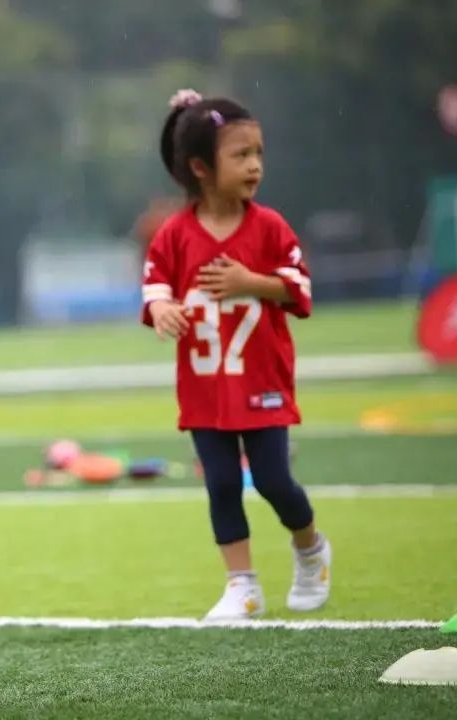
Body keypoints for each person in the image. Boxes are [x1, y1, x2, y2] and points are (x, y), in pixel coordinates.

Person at [140, 89, 331, 621]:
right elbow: (154, 287)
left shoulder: (269, 227)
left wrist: (252, 282)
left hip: (261, 379)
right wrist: (161, 312)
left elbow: (299, 288)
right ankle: (242, 585)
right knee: (222, 483)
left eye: (258, 154)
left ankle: (311, 547)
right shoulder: (175, 235)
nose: (255, 166)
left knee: (272, 480)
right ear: (200, 167)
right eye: (241, 155)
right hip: (204, 387)